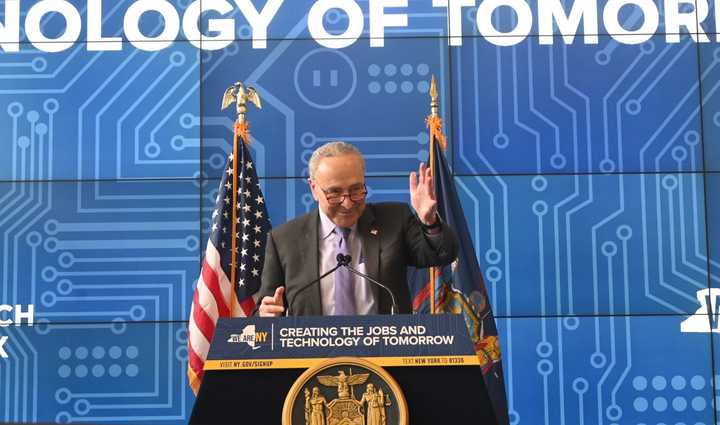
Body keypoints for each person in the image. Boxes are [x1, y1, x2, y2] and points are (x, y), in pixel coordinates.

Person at [257, 141, 458, 316]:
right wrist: (267, 315)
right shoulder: (284, 240)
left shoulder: (395, 219)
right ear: (313, 188)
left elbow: (441, 254)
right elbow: (264, 312)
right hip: (313, 358)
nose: (347, 203)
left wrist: (429, 221)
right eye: (334, 193)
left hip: (384, 353)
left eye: (356, 190)